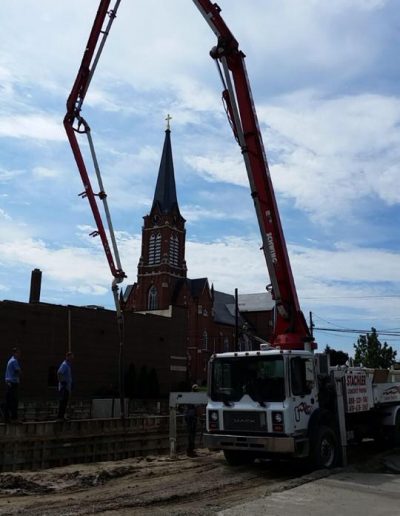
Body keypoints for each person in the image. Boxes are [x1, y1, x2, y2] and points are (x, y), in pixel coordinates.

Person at [4, 348, 22, 423]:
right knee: (14, 401)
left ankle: (6, 418)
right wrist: (20, 373)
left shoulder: (10, 360)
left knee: (8, 401)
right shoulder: (14, 361)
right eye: (18, 353)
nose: (19, 355)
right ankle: (14, 418)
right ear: (15, 353)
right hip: (13, 383)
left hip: (8, 383)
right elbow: (18, 371)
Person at [57, 352, 74, 421]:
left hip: (67, 387)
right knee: (63, 402)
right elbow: (59, 373)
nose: (72, 359)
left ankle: (62, 416)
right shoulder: (65, 365)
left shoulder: (68, 365)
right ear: (67, 357)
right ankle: (60, 417)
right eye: (71, 357)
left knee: (65, 402)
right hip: (64, 387)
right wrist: (62, 382)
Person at [184, 384, 199, 457]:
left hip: (188, 415)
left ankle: (190, 450)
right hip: (192, 416)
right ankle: (190, 450)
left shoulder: (189, 395)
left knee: (190, 433)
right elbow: (196, 407)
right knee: (192, 434)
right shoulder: (194, 396)